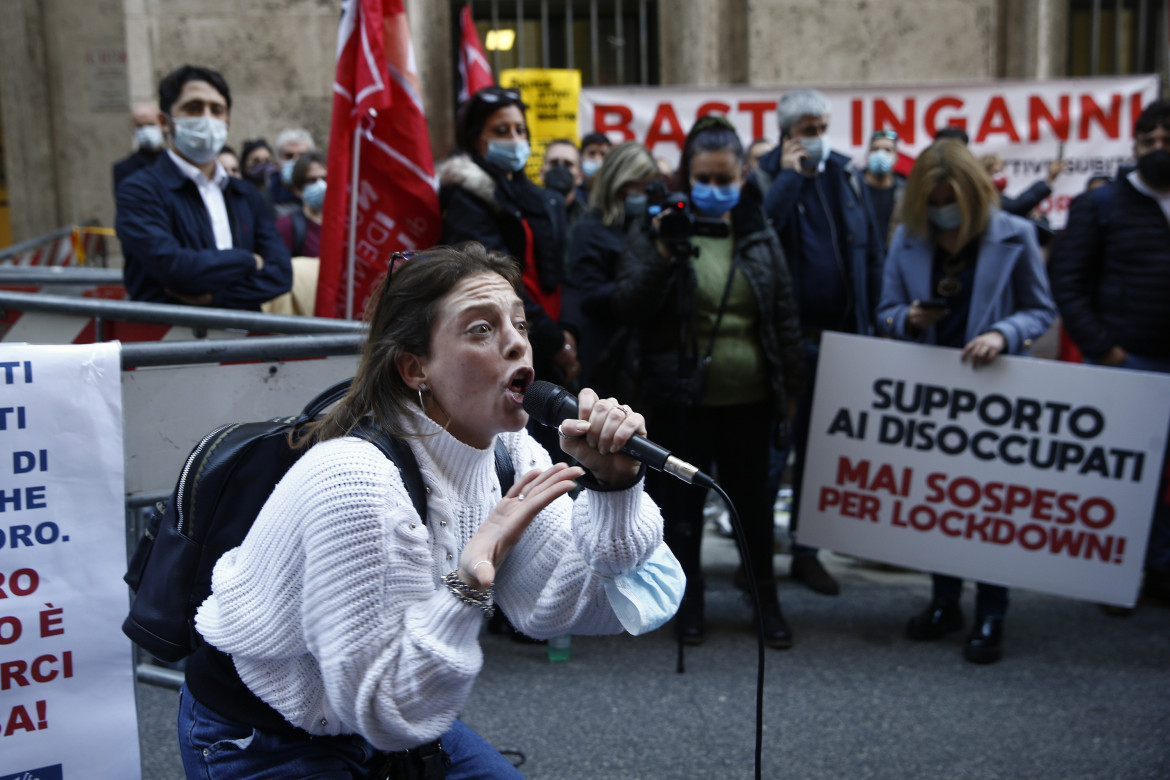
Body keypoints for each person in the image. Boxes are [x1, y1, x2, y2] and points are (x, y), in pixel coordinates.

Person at [178, 243, 678, 778]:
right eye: (481, 330)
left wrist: (614, 487)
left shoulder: (511, 452)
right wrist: (469, 583)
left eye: (519, 324)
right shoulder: (357, 483)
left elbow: (575, 606)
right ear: (416, 369)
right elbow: (388, 713)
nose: (517, 345)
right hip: (269, 734)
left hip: (389, 710)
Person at [612, 116, 803, 649]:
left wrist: (790, 392)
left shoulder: (759, 232)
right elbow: (628, 304)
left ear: (744, 175)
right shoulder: (657, 229)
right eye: (704, 178)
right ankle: (686, 600)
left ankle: (764, 599)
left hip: (752, 400)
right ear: (686, 175)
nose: (715, 189)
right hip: (680, 401)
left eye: (726, 179)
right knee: (683, 511)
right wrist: (664, 254)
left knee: (754, 507)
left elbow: (783, 315)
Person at [877, 139, 1056, 664]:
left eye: (948, 200)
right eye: (931, 202)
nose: (940, 211)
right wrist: (906, 319)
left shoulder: (1016, 234)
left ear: (974, 194)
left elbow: (1039, 310)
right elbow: (884, 311)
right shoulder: (908, 240)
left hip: (993, 393)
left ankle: (992, 611)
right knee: (941, 504)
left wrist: (1003, 333)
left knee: (991, 504)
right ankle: (945, 601)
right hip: (932, 398)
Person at [754, 87, 885, 597]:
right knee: (771, 459)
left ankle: (807, 555)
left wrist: (871, 329)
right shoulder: (767, 175)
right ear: (787, 133)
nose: (818, 138)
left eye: (822, 127)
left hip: (842, 340)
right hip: (787, 345)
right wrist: (790, 177)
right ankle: (758, 559)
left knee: (821, 456)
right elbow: (761, 229)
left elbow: (869, 252)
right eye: (808, 129)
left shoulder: (845, 176)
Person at [1048, 99, 1170, 604]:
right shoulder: (1100, 205)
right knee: (1127, 478)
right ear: (1134, 145)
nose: (1159, 150)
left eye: (1168, 140)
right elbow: (1067, 282)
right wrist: (1106, 350)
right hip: (1129, 363)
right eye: (1150, 141)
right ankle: (1116, 577)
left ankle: (1160, 569)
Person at [437, 86, 579, 401]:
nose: (514, 139)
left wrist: (568, 331)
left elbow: (564, 270)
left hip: (553, 337)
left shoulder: (540, 198)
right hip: (511, 339)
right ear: (476, 138)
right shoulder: (467, 197)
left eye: (520, 130)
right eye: (501, 131)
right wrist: (554, 341)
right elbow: (495, 279)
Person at [115, 65, 292, 309]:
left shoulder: (245, 193)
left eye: (216, 110)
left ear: (227, 122)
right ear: (165, 121)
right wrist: (248, 261)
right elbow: (175, 269)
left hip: (243, 339)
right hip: (170, 340)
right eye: (193, 108)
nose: (206, 118)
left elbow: (281, 274)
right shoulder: (139, 191)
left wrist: (217, 299)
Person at [562, 141, 660, 396]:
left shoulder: (652, 227)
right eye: (635, 182)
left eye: (647, 184)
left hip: (649, 355)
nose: (641, 191)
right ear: (617, 181)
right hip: (608, 354)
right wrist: (640, 284)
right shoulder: (589, 230)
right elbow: (588, 295)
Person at [275, 151, 326, 258]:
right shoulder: (286, 225)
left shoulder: (348, 224)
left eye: (325, 179)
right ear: (298, 189)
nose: (321, 185)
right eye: (311, 180)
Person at [862, 130, 905, 247]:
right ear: (868, 155)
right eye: (875, 149)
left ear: (896, 157)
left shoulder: (905, 192)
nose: (881, 154)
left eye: (887, 150)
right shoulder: (853, 188)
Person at [113, 102, 166, 190]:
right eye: (140, 126)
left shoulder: (175, 163)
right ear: (132, 128)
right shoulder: (123, 168)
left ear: (162, 124)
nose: (146, 130)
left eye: (150, 124)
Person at [540, 138, 588, 237]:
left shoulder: (589, 220)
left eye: (568, 164)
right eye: (554, 163)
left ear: (580, 177)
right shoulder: (525, 215)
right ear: (541, 173)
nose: (560, 169)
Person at [270, 127, 316, 216]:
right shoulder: (264, 199)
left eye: (302, 156)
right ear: (277, 162)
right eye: (289, 156)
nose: (296, 162)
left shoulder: (321, 195)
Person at [579, 131, 612, 196]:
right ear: (581, 156)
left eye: (603, 154)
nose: (597, 158)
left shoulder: (613, 191)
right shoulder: (573, 190)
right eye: (592, 153)